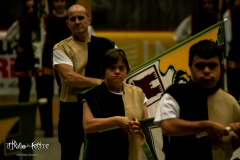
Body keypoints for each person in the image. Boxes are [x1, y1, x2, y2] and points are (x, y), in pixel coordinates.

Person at [154, 40, 240, 160]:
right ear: (190, 66)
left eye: (212, 65)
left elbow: (229, 147)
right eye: (200, 65)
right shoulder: (174, 93)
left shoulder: (231, 102)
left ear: (220, 67)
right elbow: (168, 126)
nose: (206, 70)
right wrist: (206, 126)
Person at [52, 4, 115, 160]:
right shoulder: (60, 48)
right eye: (72, 19)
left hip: (101, 109)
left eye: (81, 18)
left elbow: (122, 69)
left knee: (100, 155)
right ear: (67, 23)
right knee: (69, 155)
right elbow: (70, 78)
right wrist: (103, 83)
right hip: (71, 110)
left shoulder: (107, 44)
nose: (77, 22)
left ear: (89, 20)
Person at [77, 48, 148, 160]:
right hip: (100, 154)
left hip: (131, 155)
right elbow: (88, 126)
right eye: (112, 68)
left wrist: (139, 127)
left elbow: (146, 125)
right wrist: (116, 120)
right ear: (103, 70)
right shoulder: (91, 95)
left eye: (121, 68)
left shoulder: (138, 93)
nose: (117, 72)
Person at [38, 0, 71, 137]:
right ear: (53, 3)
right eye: (56, 0)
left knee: (65, 95)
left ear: (65, 2)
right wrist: (38, 64)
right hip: (47, 60)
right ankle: (47, 127)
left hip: (65, 61)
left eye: (62, 0)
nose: (59, 3)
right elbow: (39, 43)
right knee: (46, 95)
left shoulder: (70, 19)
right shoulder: (46, 20)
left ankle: (65, 125)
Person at [4, 0, 42, 102]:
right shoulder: (20, 23)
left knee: (40, 89)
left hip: (37, 58)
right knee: (24, 89)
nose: (31, 10)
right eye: (28, 8)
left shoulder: (39, 23)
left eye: (33, 8)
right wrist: (16, 47)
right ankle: (23, 113)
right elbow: (8, 37)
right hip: (24, 58)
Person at [223, 0, 240, 101]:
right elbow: (228, 40)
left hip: (234, 58)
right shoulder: (230, 13)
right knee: (233, 94)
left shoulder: (229, 13)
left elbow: (228, 40)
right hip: (235, 60)